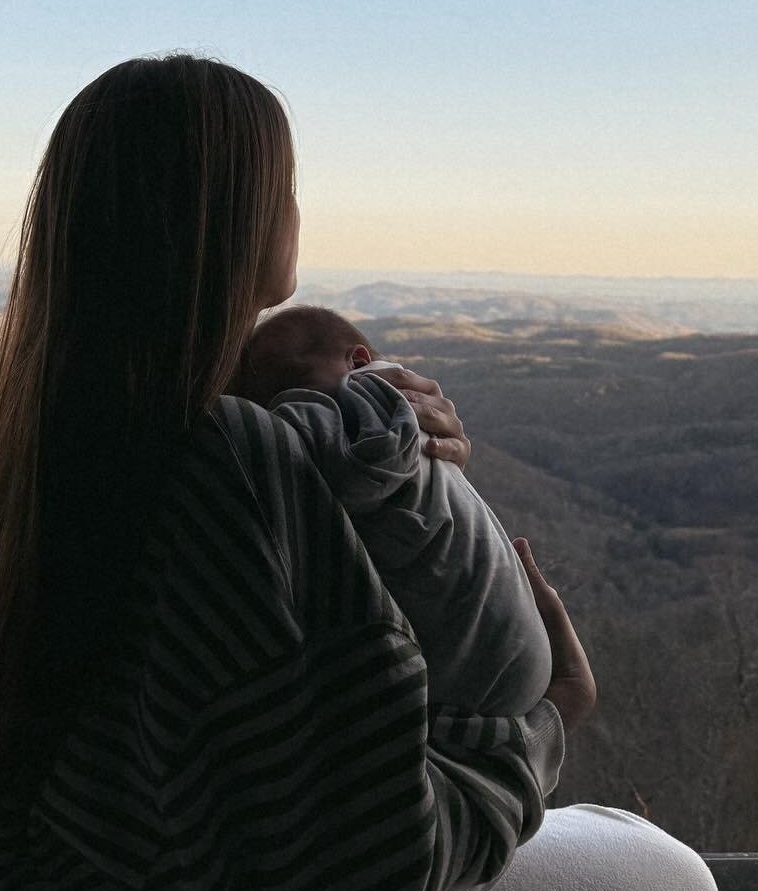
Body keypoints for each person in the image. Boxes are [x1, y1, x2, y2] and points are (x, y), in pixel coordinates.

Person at [0, 53, 721, 891]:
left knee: (668, 886)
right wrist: (544, 724)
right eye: (284, 180)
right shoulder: (228, 474)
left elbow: (298, 756)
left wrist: (394, 490)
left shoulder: (97, 442)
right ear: (239, 213)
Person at [230, 303, 554, 720]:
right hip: (503, 666)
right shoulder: (391, 426)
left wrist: (272, 420)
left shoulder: (375, 409)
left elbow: (359, 461)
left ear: (360, 363)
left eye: (287, 384)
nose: (270, 404)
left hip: (472, 674)